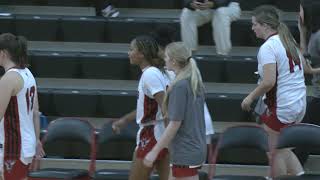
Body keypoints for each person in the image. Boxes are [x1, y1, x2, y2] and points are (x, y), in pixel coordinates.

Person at [241, 5, 310, 177]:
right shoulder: (287, 40)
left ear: (265, 25)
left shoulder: (268, 47)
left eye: (254, 24)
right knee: (283, 148)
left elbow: (269, 82)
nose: (252, 28)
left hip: (283, 105)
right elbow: (305, 69)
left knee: (273, 151)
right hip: (299, 103)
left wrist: (249, 98)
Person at [144, 42, 207, 180]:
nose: (164, 59)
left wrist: (154, 151)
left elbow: (174, 124)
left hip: (185, 150)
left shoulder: (180, 86)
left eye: (166, 57)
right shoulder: (194, 82)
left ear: (173, 61)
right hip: (194, 147)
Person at [112, 35, 171, 180]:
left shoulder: (150, 74)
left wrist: (172, 136)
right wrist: (125, 120)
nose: (128, 53)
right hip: (158, 131)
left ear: (142, 54)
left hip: (153, 133)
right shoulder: (157, 72)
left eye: (131, 49)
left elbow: (165, 107)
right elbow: (150, 107)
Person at [0, 33, 45, 180]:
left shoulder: (9, 79)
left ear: (3, 54)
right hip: (26, 144)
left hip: (13, 146)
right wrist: (37, 140)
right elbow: (35, 113)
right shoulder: (28, 74)